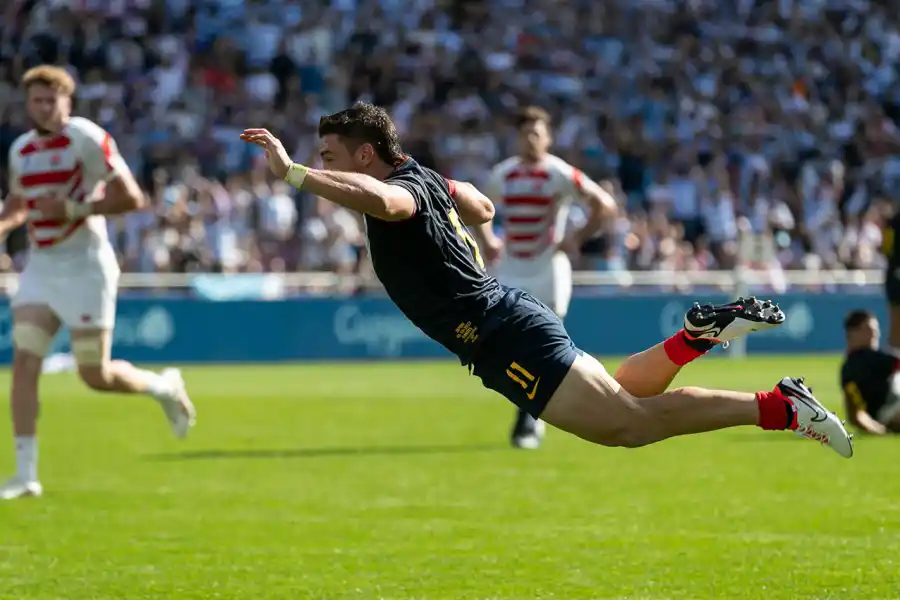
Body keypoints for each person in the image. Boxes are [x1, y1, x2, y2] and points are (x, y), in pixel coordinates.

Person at [240, 102, 853, 459]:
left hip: (501, 334)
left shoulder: (395, 192)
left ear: (365, 155)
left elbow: (386, 202)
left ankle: (780, 408)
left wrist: (294, 174)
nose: (324, 167)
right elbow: (483, 207)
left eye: (329, 157)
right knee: (626, 399)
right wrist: (450, 200)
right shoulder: (425, 177)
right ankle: (693, 338)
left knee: (629, 427)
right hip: (510, 316)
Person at [0, 65, 196, 500]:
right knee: (25, 362)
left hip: (87, 266)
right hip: (42, 267)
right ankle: (25, 475)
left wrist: (72, 209)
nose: (44, 108)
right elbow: (19, 202)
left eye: (51, 100)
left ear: (67, 102)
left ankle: (163, 387)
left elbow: (132, 197)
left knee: (96, 374)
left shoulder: (86, 138)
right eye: (36, 101)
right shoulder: (21, 149)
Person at [475, 106, 616, 449]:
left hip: (548, 269)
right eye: (525, 133)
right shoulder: (504, 174)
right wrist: (488, 240)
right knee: (511, 348)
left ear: (548, 138)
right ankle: (533, 412)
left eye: (536, 133)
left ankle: (529, 418)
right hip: (511, 269)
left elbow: (605, 205)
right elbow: (477, 208)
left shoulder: (559, 173)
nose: (530, 139)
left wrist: (577, 238)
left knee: (543, 346)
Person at [841, 309, 900, 435]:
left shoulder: (847, 367)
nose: (875, 334)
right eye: (868, 329)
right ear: (852, 333)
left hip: (881, 418)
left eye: (876, 329)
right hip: (890, 413)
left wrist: (877, 429)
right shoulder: (869, 359)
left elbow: (854, 415)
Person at [882, 210, 900, 350]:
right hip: (896, 277)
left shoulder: (893, 221)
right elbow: (886, 249)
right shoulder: (895, 222)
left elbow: (886, 249)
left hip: (894, 275)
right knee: (896, 326)